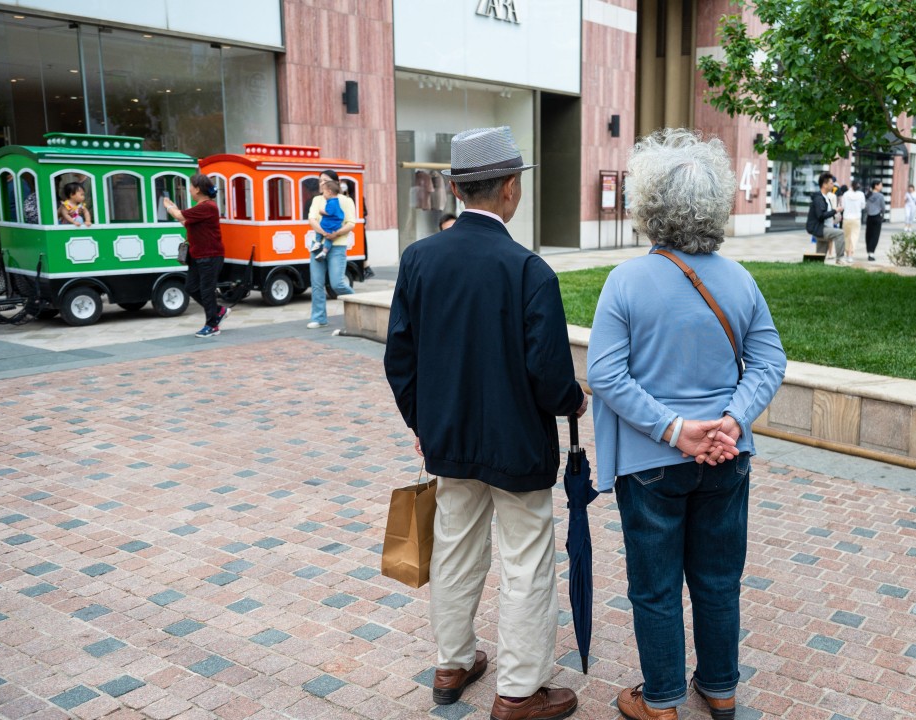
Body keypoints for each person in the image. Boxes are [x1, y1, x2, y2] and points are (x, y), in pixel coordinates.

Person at [384, 126, 586, 720]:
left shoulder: (419, 260)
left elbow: (400, 357)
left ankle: (452, 661)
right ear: (511, 191)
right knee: (525, 560)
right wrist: (572, 401)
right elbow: (549, 372)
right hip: (517, 442)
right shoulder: (528, 269)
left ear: (455, 187)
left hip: (447, 438)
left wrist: (422, 421)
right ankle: (520, 692)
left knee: (453, 550)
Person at [587, 129, 787, 720]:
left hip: (652, 464)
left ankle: (664, 700)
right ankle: (721, 688)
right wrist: (730, 420)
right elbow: (770, 360)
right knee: (719, 580)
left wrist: (676, 430)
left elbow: (605, 375)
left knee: (655, 589)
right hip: (728, 457)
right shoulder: (740, 278)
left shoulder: (625, 280)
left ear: (648, 205)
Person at [162, 174, 228, 338]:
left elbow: (179, 215)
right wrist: (175, 210)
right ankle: (218, 311)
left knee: (207, 291)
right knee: (191, 288)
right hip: (198, 255)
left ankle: (212, 325)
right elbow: (184, 222)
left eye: (191, 186)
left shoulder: (208, 207)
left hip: (210, 256)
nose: (189, 189)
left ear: (198, 189)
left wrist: (168, 207)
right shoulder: (200, 208)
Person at [305, 171, 356, 330]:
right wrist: (324, 232)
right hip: (318, 245)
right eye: (320, 181)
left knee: (337, 283)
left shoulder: (345, 200)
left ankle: (360, 302)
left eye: (325, 181)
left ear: (334, 183)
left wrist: (336, 233)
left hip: (338, 246)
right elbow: (312, 219)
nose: (321, 184)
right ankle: (319, 318)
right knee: (317, 283)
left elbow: (351, 223)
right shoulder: (317, 200)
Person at [805, 172, 845, 264]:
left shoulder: (826, 197)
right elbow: (821, 215)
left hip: (825, 228)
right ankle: (839, 259)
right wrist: (835, 210)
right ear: (824, 184)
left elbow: (827, 214)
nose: (833, 185)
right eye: (831, 183)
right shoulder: (819, 198)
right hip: (820, 229)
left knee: (819, 258)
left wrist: (835, 217)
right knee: (840, 233)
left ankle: (815, 266)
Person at [313, 181, 345, 260]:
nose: (323, 194)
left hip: (331, 224)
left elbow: (329, 212)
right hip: (335, 224)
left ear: (329, 192)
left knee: (319, 229)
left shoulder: (332, 202)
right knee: (329, 239)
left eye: (323, 192)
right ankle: (324, 252)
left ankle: (317, 242)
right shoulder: (335, 201)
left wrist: (321, 212)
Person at [840, 180, 865, 262]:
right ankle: (851, 254)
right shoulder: (861, 195)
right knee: (854, 237)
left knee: (847, 237)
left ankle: (847, 253)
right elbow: (863, 206)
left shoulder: (846, 194)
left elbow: (842, 206)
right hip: (856, 219)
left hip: (847, 218)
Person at [864, 180, 886, 261]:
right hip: (877, 217)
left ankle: (869, 250)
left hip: (869, 217)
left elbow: (866, 207)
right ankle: (871, 253)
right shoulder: (880, 196)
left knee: (868, 235)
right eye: (880, 185)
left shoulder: (867, 194)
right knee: (875, 235)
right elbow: (883, 207)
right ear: (876, 186)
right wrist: (882, 216)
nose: (881, 187)